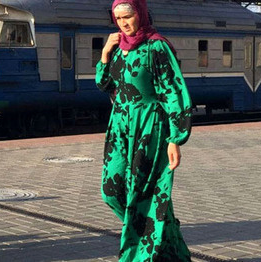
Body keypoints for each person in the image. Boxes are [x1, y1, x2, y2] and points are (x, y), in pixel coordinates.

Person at [95, 0, 192, 261]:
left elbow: (173, 90)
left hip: (149, 126)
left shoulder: (156, 46)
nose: (124, 23)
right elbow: (104, 83)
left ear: (141, 13)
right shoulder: (118, 48)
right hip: (119, 129)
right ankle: (169, 243)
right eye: (118, 19)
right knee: (111, 191)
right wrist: (105, 52)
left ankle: (143, 256)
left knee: (143, 192)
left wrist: (175, 139)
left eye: (128, 16)